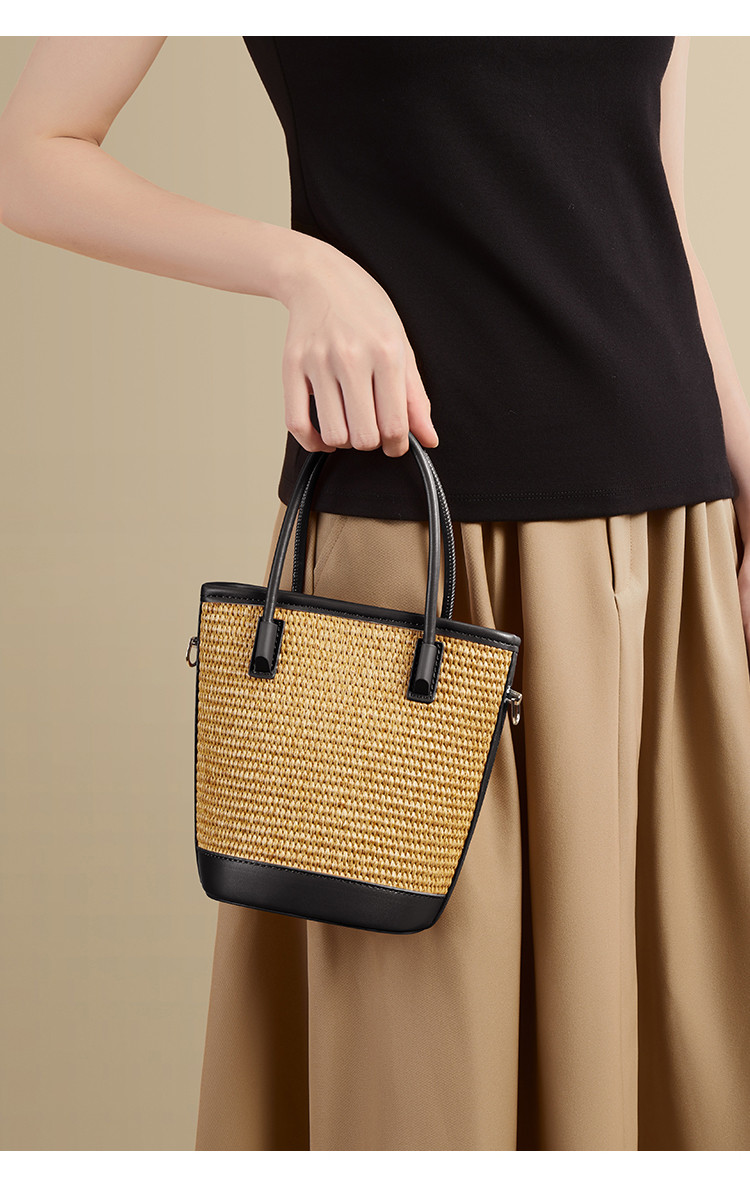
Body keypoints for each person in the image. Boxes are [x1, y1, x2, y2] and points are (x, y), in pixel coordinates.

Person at [2, 34, 750, 1151]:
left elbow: (655, 207)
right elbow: (31, 154)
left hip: (670, 549)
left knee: (680, 1064)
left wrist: (747, 477)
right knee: (419, 1092)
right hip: (418, 574)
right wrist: (305, 269)